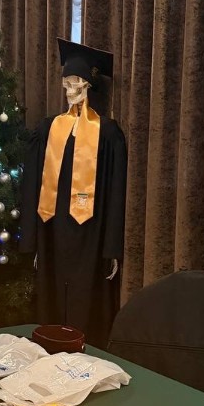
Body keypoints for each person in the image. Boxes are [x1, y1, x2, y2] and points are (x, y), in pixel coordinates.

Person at [20, 38, 127, 348]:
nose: (70, 90)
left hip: (90, 234)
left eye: (76, 83)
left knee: (86, 301)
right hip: (52, 231)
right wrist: (33, 239)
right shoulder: (47, 129)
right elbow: (32, 185)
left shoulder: (107, 133)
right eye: (66, 83)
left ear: (88, 86)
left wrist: (111, 248)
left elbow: (116, 192)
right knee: (52, 301)